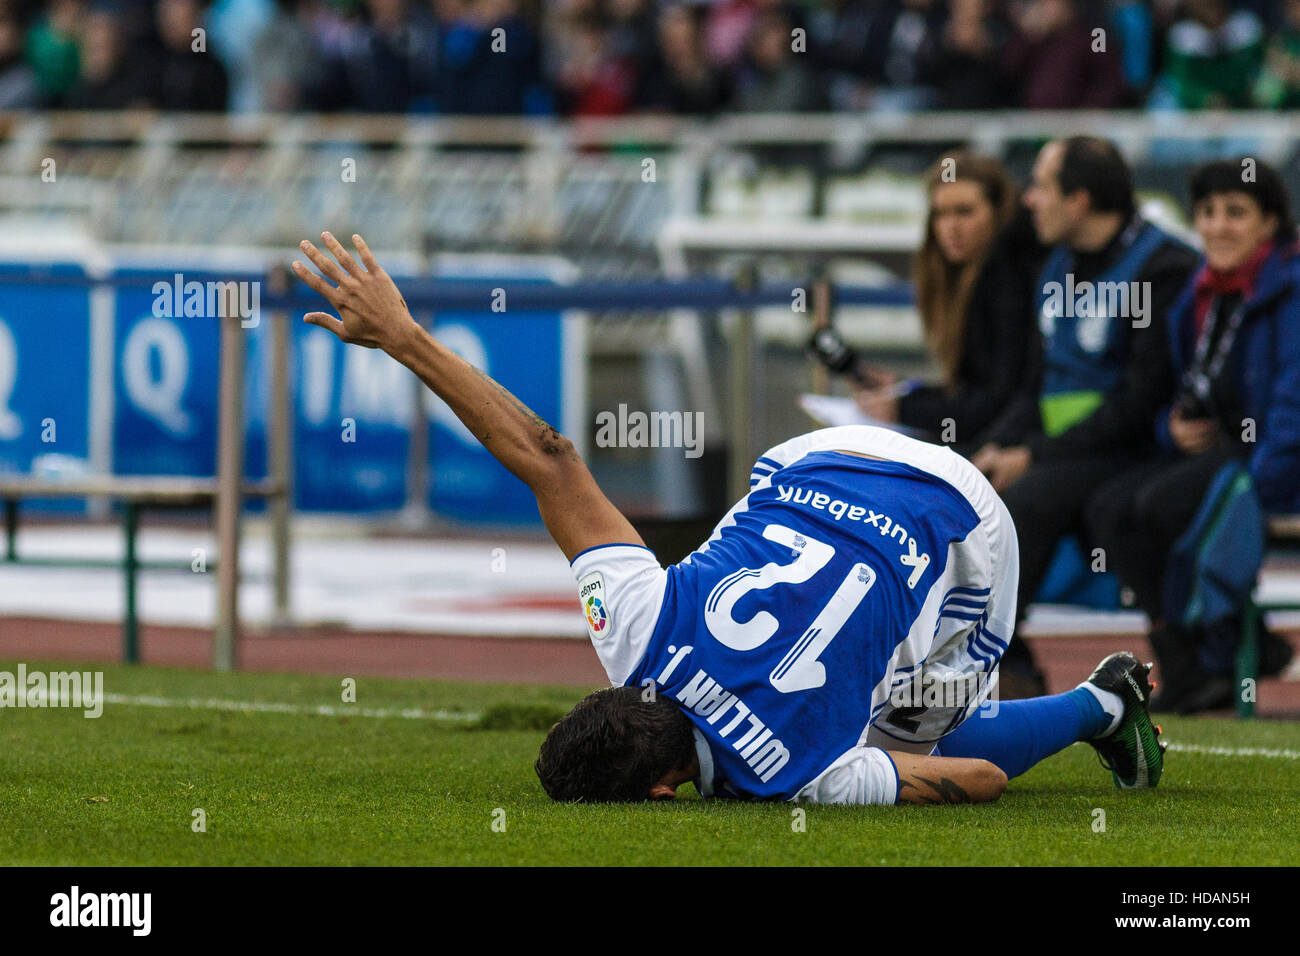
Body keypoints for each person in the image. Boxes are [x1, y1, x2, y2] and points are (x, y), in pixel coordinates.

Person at [290, 231, 1167, 805]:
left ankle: (1104, 703)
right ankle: (1097, 699)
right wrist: (406, 338)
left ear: (664, 794)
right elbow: (549, 456)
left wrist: (865, 771)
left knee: (926, 729)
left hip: (964, 524)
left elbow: (973, 779)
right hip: (833, 455)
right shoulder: (633, 630)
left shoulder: (801, 777)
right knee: (868, 692)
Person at [973, 136, 1199, 697]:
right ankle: (1001, 661)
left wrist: (1033, 456)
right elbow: (1035, 385)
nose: (1028, 201)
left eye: (1041, 187)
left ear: (1079, 201)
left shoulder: (1164, 267)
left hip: (1132, 450)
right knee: (969, 486)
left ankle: (983, 666)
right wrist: (991, 449)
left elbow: (1141, 401)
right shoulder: (1055, 266)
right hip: (1063, 451)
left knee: (1026, 499)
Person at [1087, 159, 1300, 713]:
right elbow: (1178, 394)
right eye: (1207, 212)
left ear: (1270, 223)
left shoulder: (1290, 291)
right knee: (1109, 506)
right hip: (1220, 453)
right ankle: (1188, 662)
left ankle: (1217, 654)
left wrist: (1259, 484)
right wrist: (1171, 429)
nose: (1218, 225)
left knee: (1160, 505)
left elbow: (1292, 406)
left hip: (1272, 460)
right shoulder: (1201, 294)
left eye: (1236, 212)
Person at [812, 152, 1041, 454]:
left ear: (998, 212)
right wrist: (903, 389)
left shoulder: (1008, 277)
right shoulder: (962, 279)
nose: (951, 227)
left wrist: (902, 409)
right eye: (940, 214)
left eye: (964, 212)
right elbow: (972, 393)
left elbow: (995, 403)